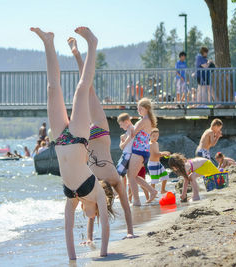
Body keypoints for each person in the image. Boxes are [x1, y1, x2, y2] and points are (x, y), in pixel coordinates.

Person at [31, 26, 110, 260]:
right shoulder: (98, 195)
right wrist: (104, 254)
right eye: (92, 216)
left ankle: (48, 42)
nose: (90, 217)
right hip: (77, 136)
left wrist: (72, 260)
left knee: (52, 89)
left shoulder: (72, 199)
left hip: (58, 140)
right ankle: (93, 43)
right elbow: (105, 228)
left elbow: (67, 231)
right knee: (80, 90)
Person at [68, 37, 134, 240]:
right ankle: (79, 53)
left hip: (100, 132)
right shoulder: (92, 185)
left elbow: (124, 205)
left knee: (88, 88)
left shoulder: (112, 180)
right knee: (84, 90)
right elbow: (117, 207)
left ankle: (80, 54)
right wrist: (129, 233)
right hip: (85, 136)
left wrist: (131, 231)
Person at [126, 98, 158, 206]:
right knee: (133, 176)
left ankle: (136, 201)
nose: (138, 110)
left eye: (141, 108)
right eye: (138, 108)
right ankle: (152, 191)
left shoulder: (144, 120)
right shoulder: (148, 120)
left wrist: (128, 126)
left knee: (131, 176)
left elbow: (133, 134)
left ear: (147, 109)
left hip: (139, 151)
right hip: (143, 151)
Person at [148, 128, 170, 194]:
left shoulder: (156, 143)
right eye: (153, 136)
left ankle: (162, 190)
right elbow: (155, 154)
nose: (155, 137)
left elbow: (157, 152)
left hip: (158, 163)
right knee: (154, 180)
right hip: (152, 164)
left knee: (165, 176)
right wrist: (163, 153)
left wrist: (163, 153)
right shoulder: (150, 144)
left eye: (157, 135)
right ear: (149, 136)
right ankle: (152, 192)